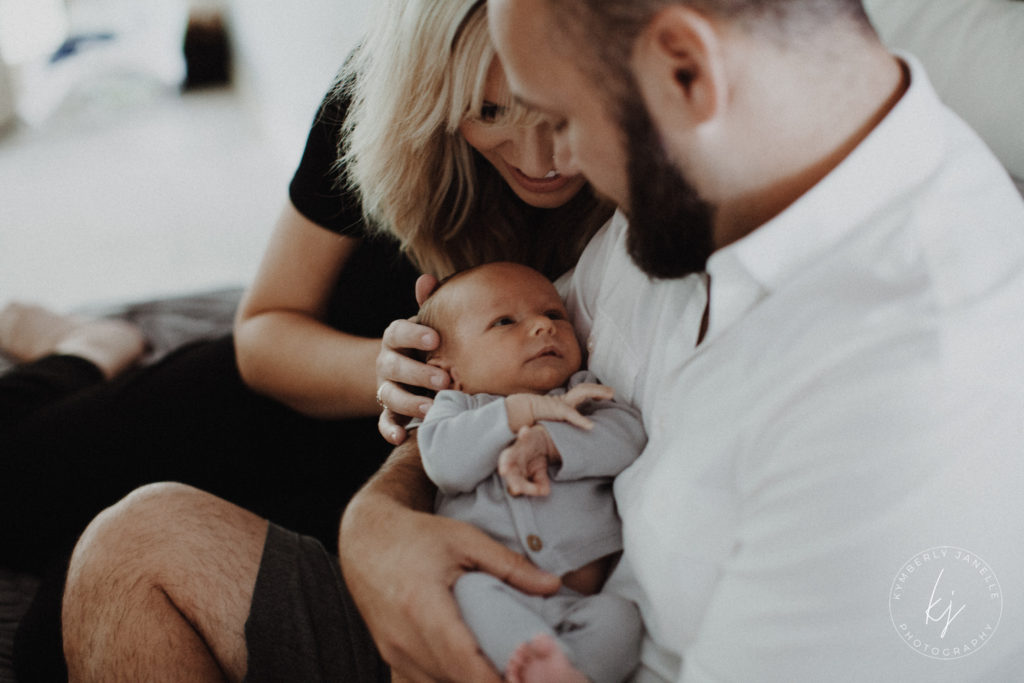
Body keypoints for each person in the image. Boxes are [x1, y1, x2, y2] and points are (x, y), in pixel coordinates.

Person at [61, 0, 1024, 681]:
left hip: (571, 646)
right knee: (134, 543)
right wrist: (383, 527)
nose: (559, 166)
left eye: (562, 118)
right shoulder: (702, 196)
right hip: (488, 596)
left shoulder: (919, 400)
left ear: (686, 71)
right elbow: (488, 370)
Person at [2, 0, 611, 677]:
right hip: (289, 392)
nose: (540, 160)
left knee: (63, 617)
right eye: (489, 112)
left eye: (552, 112)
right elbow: (264, 328)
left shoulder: (642, 173)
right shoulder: (376, 102)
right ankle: (89, 345)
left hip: (390, 475)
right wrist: (393, 372)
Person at [415, 261, 645, 682]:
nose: (543, 325)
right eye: (505, 321)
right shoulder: (456, 409)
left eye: (555, 314)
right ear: (450, 370)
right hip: (492, 587)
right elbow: (446, 464)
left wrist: (550, 441)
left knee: (621, 619)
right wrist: (517, 412)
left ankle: (566, 672)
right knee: (466, 592)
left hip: (578, 599)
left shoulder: (582, 393)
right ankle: (535, 663)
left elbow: (627, 437)